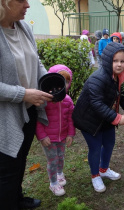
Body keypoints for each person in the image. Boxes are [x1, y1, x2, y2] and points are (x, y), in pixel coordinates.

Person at [0, 0, 53, 209]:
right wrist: (22, 94)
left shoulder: (23, 28)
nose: (28, 5)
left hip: (28, 111)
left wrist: (49, 80)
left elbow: (36, 61)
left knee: (20, 159)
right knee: (6, 169)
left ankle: (17, 198)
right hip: (5, 117)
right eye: (21, 0)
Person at [72, 42, 124, 192]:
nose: (119, 64)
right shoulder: (98, 78)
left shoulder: (119, 76)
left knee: (109, 143)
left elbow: (122, 94)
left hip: (106, 117)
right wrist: (118, 118)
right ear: (107, 61)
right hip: (89, 120)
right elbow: (96, 103)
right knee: (95, 148)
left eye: (122, 61)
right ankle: (95, 176)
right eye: (115, 61)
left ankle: (104, 169)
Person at [36, 65, 76, 196]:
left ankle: (59, 173)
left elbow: (70, 118)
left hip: (62, 136)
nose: (59, 88)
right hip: (49, 139)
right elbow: (38, 119)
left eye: (65, 83)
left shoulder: (68, 100)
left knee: (60, 157)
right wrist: (42, 136)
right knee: (52, 160)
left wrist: (70, 133)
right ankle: (53, 183)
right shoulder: (43, 101)